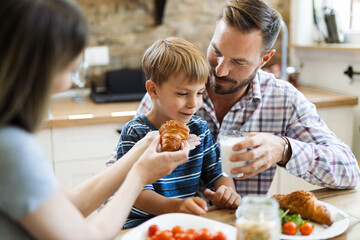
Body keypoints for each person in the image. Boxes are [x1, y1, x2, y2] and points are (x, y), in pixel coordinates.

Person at [0, 0, 190, 239]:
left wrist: (141, 149)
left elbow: (73, 204)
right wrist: (140, 175)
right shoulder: (10, 149)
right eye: (70, 70)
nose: (70, 82)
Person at [134, 0, 360, 195]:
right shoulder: (172, 90)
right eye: (216, 52)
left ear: (265, 59)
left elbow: (349, 172)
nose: (220, 70)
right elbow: (120, 175)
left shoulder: (284, 100)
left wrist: (284, 150)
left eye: (238, 62)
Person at [107, 37, 241, 229]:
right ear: (153, 90)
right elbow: (138, 193)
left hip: (181, 221)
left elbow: (217, 172)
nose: (193, 103)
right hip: (139, 225)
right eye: (182, 94)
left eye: (200, 93)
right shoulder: (136, 133)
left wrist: (226, 191)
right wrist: (177, 206)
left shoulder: (199, 128)